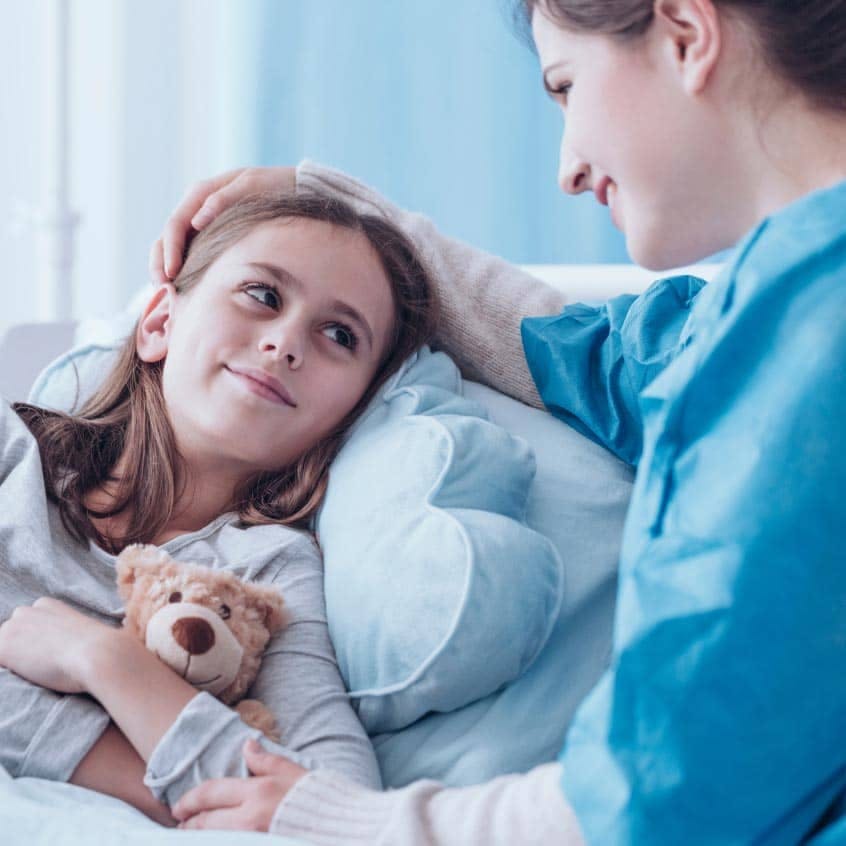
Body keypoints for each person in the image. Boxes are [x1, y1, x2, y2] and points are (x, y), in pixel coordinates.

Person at [151, 0, 846, 843]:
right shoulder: (759, 316)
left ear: (687, 36)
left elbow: (662, 799)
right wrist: (333, 209)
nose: (569, 169)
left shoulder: (806, 339)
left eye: (565, 86)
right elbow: (592, 356)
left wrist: (348, 822)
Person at [0, 194, 438, 827]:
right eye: (262, 295)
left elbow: (332, 807)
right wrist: (145, 781)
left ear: (352, 413)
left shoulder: (271, 574)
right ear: (158, 324)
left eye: (339, 335)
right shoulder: (12, 454)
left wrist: (106, 662)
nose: (286, 343)